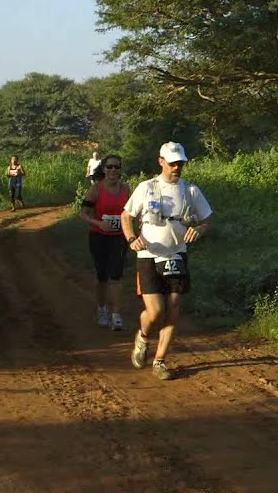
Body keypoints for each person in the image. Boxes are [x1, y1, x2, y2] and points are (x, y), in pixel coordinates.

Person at [121, 141, 212, 379]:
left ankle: (160, 360)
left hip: (177, 254)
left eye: (180, 163)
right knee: (155, 312)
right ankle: (142, 337)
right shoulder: (146, 187)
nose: (177, 167)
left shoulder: (190, 190)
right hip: (149, 255)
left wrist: (199, 230)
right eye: (172, 163)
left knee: (172, 308)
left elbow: (207, 220)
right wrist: (131, 238)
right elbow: (126, 216)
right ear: (161, 162)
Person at [79, 154, 130, 331]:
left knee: (116, 274)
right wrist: (98, 223)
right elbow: (83, 214)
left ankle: (116, 314)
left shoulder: (127, 189)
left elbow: (132, 213)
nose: (113, 170)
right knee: (102, 276)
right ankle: (101, 310)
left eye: (116, 167)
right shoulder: (96, 190)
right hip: (99, 237)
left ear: (120, 170)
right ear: (103, 169)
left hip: (119, 237)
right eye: (109, 167)